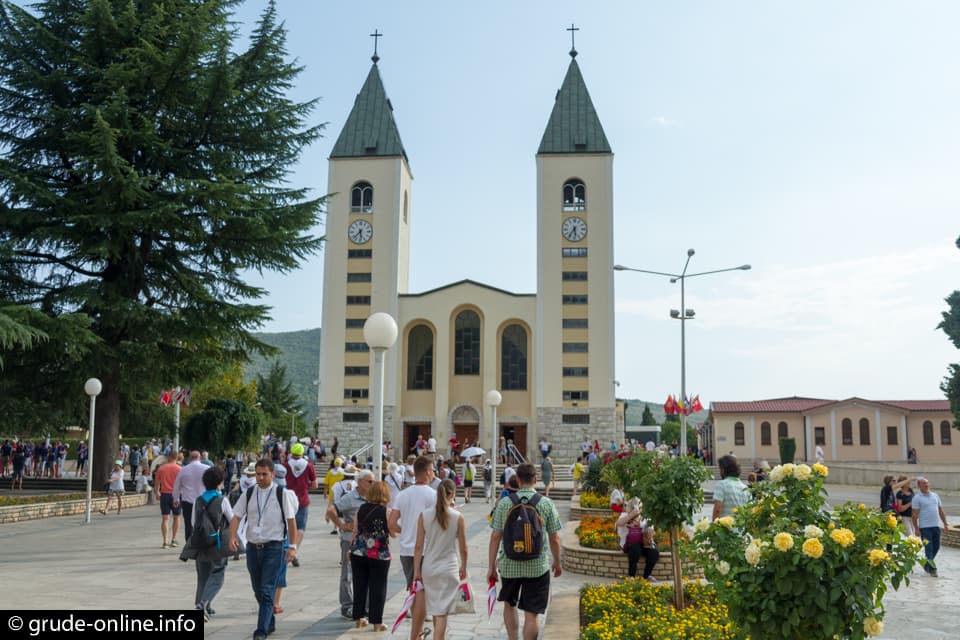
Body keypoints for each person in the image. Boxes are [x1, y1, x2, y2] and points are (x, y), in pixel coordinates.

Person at [488, 462, 562, 640]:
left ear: (518, 480)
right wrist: (557, 562)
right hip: (537, 566)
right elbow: (554, 537)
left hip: (510, 564)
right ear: (535, 479)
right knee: (532, 613)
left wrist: (491, 566)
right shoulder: (546, 503)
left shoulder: (505, 503)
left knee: (509, 604)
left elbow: (495, 536)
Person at [228, 458, 299, 640]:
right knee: (257, 589)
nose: (260, 477)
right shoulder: (249, 493)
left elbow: (291, 522)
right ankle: (269, 620)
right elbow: (236, 516)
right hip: (253, 547)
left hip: (274, 547)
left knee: (267, 589)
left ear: (272, 474)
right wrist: (232, 537)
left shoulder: (281, 493)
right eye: (257, 474)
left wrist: (292, 547)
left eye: (264, 474)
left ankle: (261, 631)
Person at [387, 456, 437, 640]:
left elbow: (391, 523)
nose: (433, 474)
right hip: (425, 549)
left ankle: (418, 631)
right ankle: (416, 633)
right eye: (432, 470)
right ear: (425, 472)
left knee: (414, 589)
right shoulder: (433, 495)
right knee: (422, 593)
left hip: (406, 549)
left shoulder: (402, 495)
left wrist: (406, 530)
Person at [413, 479, 468, 640]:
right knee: (442, 612)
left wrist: (417, 570)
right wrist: (464, 566)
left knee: (437, 609)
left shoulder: (424, 515)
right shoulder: (458, 517)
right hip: (449, 567)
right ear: (453, 494)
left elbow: (418, 547)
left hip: (429, 567)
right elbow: (464, 548)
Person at [181, 466, 232, 621]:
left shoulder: (198, 500)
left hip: (201, 543)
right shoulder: (222, 500)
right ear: (220, 483)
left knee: (203, 576)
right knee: (217, 575)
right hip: (216, 544)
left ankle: (203, 605)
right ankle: (203, 604)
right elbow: (232, 520)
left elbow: (193, 522)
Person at [326, 467, 372, 620]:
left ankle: (365, 606)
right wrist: (341, 525)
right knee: (348, 574)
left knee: (366, 574)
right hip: (349, 540)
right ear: (360, 482)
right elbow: (331, 510)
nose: (372, 484)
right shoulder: (350, 497)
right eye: (369, 481)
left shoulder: (372, 497)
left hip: (368, 542)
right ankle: (347, 605)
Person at [350, 480, 393, 631]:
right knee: (378, 587)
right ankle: (376, 622)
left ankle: (359, 618)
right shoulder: (387, 511)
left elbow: (355, 531)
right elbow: (392, 533)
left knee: (359, 585)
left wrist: (351, 549)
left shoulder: (360, 508)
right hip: (379, 554)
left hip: (358, 552)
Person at [283, 442, 317, 567]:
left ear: (292, 453)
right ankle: (294, 551)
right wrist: (304, 486)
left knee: (287, 527)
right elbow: (315, 485)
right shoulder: (309, 466)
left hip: (287, 500)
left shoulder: (286, 465)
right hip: (303, 500)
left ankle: (288, 550)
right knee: (300, 528)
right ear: (303, 453)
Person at [911, 477, 949, 577]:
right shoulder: (917, 498)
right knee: (929, 549)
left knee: (936, 547)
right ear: (919, 486)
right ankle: (932, 570)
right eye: (924, 483)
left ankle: (927, 564)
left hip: (936, 526)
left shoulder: (935, 496)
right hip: (925, 528)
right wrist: (916, 529)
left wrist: (945, 523)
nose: (927, 485)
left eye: (927, 483)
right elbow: (914, 515)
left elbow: (940, 510)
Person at [616, 498, 659, 580]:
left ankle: (647, 576)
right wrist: (631, 516)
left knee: (654, 552)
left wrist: (649, 532)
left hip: (644, 544)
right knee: (635, 549)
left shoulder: (645, 518)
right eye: (634, 507)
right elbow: (618, 524)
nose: (637, 509)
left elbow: (652, 530)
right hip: (629, 544)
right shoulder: (625, 515)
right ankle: (631, 576)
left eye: (638, 507)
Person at [173, 451, 208, 541]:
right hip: (204, 500)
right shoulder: (207, 469)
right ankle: (202, 543)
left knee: (188, 523)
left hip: (187, 501)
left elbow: (177, 486)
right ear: (200, 458)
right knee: (203, 522)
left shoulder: (183, 470)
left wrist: (176, 498)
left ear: (189, 458)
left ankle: (189, 544)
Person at [155, 453, 183, 548]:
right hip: (176, 495)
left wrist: (157, 492)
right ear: (176, 458)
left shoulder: (161, 468)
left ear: (169, 457)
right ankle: (174, 539)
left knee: (165, 518)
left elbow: (157, 482)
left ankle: (165, 541)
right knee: (177, 517)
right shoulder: (180, 469)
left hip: (165, 494)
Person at [712, 455, 750, 520]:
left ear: (723, 469)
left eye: (720, 469)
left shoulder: (721, 485)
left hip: (725, 528)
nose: (719, 472)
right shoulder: (746, 489)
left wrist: (713, 527)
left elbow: (717, 510)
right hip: (741, 528)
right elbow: (749, 511)